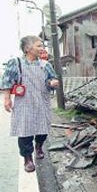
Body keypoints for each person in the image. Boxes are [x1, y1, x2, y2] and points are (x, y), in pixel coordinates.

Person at [1, 35, 59, 173]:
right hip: (24, 102)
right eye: (38, 46)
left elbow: (51, 79)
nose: (42, 48)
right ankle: (27, 158)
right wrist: (7, 99)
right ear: (27, 48)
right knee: (25, 131)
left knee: (42, 129)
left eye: (42, 45)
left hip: (42, 101)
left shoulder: (46, 65)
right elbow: (7, 81)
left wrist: (52, 82)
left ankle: (39, 146)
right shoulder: (16, 63)